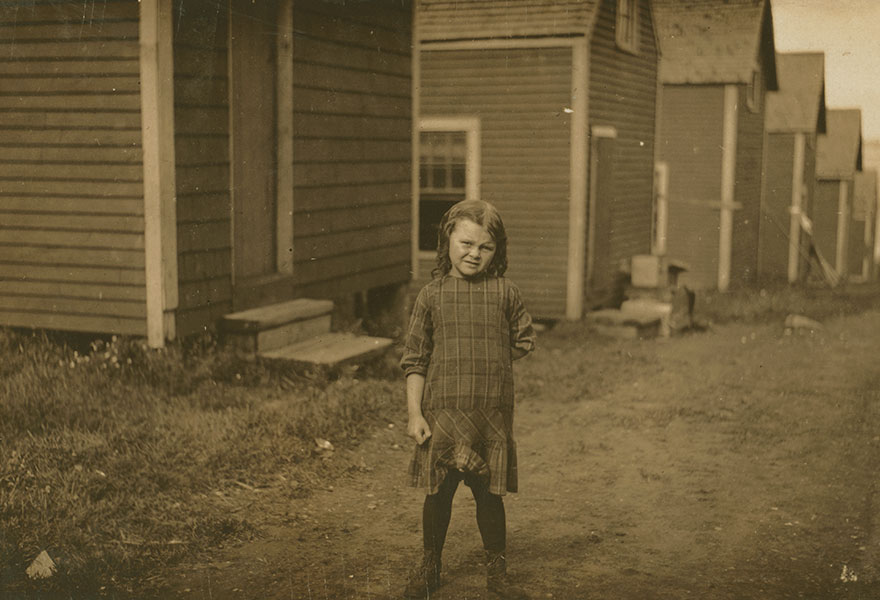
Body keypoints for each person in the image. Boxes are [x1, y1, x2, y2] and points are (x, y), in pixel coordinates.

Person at [400, 199, 536, 599]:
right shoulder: (432, 295)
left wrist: (490, 361)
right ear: (447, 241)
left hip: (488, 420)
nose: (474, 254)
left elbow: (524, 341)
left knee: (490, 499)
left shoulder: (505, 292)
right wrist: (414, 413)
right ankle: (430, 567)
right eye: (466, 243)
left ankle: (498, 574)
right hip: (442, 418)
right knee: (437, 496)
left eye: (485, 247)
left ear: (498, 251)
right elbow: (415, 359)